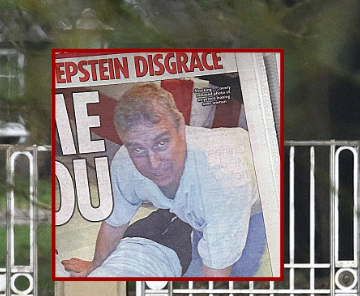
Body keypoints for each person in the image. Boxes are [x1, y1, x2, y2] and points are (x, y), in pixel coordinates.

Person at [63, 83, 265, 278]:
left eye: (161, 143)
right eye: (138, 149)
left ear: (181, 127)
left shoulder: (222, 182)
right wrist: (95, 266)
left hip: (261, 192)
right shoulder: (125, 163)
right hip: (210, 195)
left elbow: (216, 275)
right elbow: (114, 224)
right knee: (198, 257)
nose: (154, 163)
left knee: (241, 270)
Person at [61, 208, 193, 278]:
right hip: (171, 256)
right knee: (189, 219)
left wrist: (94, 266)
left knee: (165, 210)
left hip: (131, 240)